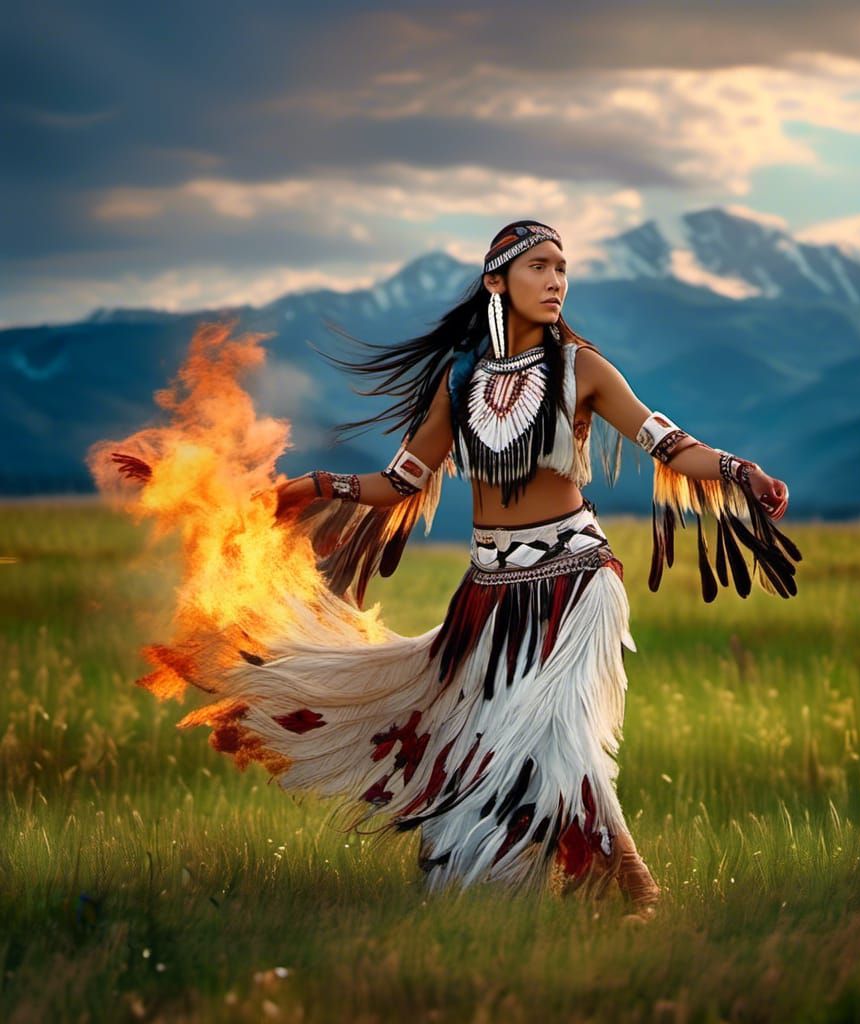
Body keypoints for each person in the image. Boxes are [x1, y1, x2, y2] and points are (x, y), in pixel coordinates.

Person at [114, 220, 799, 920]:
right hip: (488, 596)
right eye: (539, 266)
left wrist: (739, 470)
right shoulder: (462, 378)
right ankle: (577, 891)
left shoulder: (582, 368)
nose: (556, 281)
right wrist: (316, 485)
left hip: (576, 581)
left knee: (562, 741)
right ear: (497, 281)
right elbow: (401, 481)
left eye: (562, 268)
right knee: (485, 745)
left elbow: (668, 443)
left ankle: (639, 893)